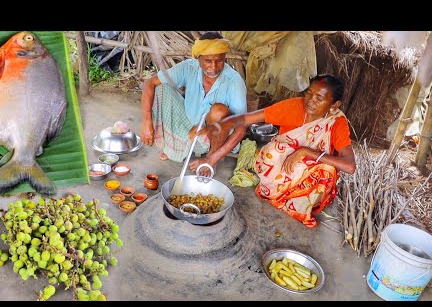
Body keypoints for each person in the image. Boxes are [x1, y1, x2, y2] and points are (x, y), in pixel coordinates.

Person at [195, 74, 356, 228]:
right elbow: (246, 119)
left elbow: (349, 166)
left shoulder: (336, 123)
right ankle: (276, 192)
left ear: (335, 105)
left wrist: (306, 152)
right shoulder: (294, 106)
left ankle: (296, 203)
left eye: (319, 98)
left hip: (310, 175)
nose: (311, 101)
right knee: (272, 153)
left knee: (327, 171)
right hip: (282, 166)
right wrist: (217, 126)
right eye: (309, 93)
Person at [140, 31, 247, 176]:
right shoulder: (189, 67)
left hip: (216, 136)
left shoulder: (234, 81)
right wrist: (146, 121)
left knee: (218, 111)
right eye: (208, 61)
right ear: (198, 58)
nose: (214, 67)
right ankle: (169, 146)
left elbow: (241, 129)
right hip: (189, 125)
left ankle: (210, 158)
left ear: (225, 58)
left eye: (219, 60)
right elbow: (150, 83)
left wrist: (212, 157)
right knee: (161, 88)